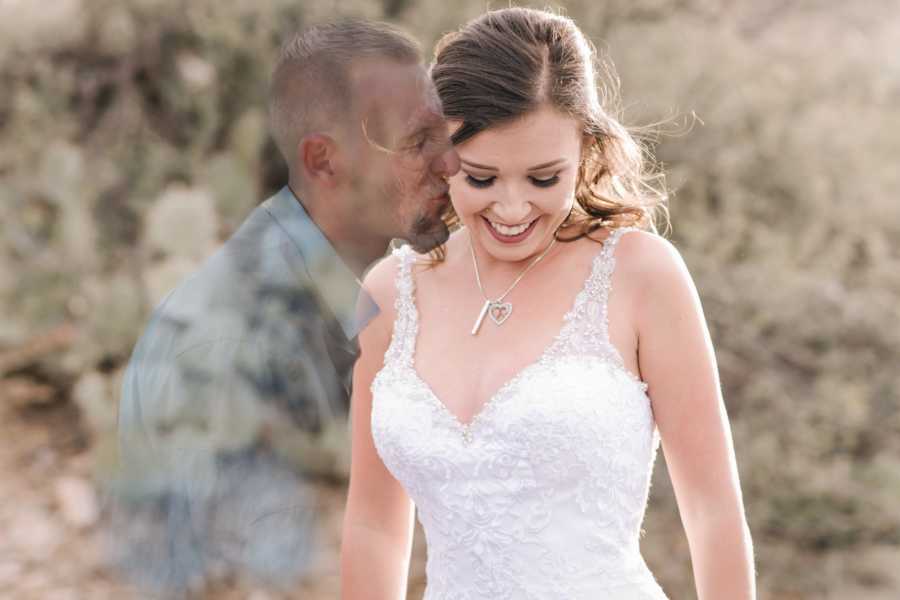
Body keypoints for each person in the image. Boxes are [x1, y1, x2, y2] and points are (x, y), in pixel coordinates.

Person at [341, 7, 755, 599]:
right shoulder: (388, 295)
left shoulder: (640, 275)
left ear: (586, 150)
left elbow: (713, 514)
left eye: (543, 179)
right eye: (482, 178)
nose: (512, 210)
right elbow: (374, 525)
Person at [114, 19, 459, 594]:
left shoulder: (361, 295)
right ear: (324, 161)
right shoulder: (227, 345)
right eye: (418, 142)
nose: (451, 165)